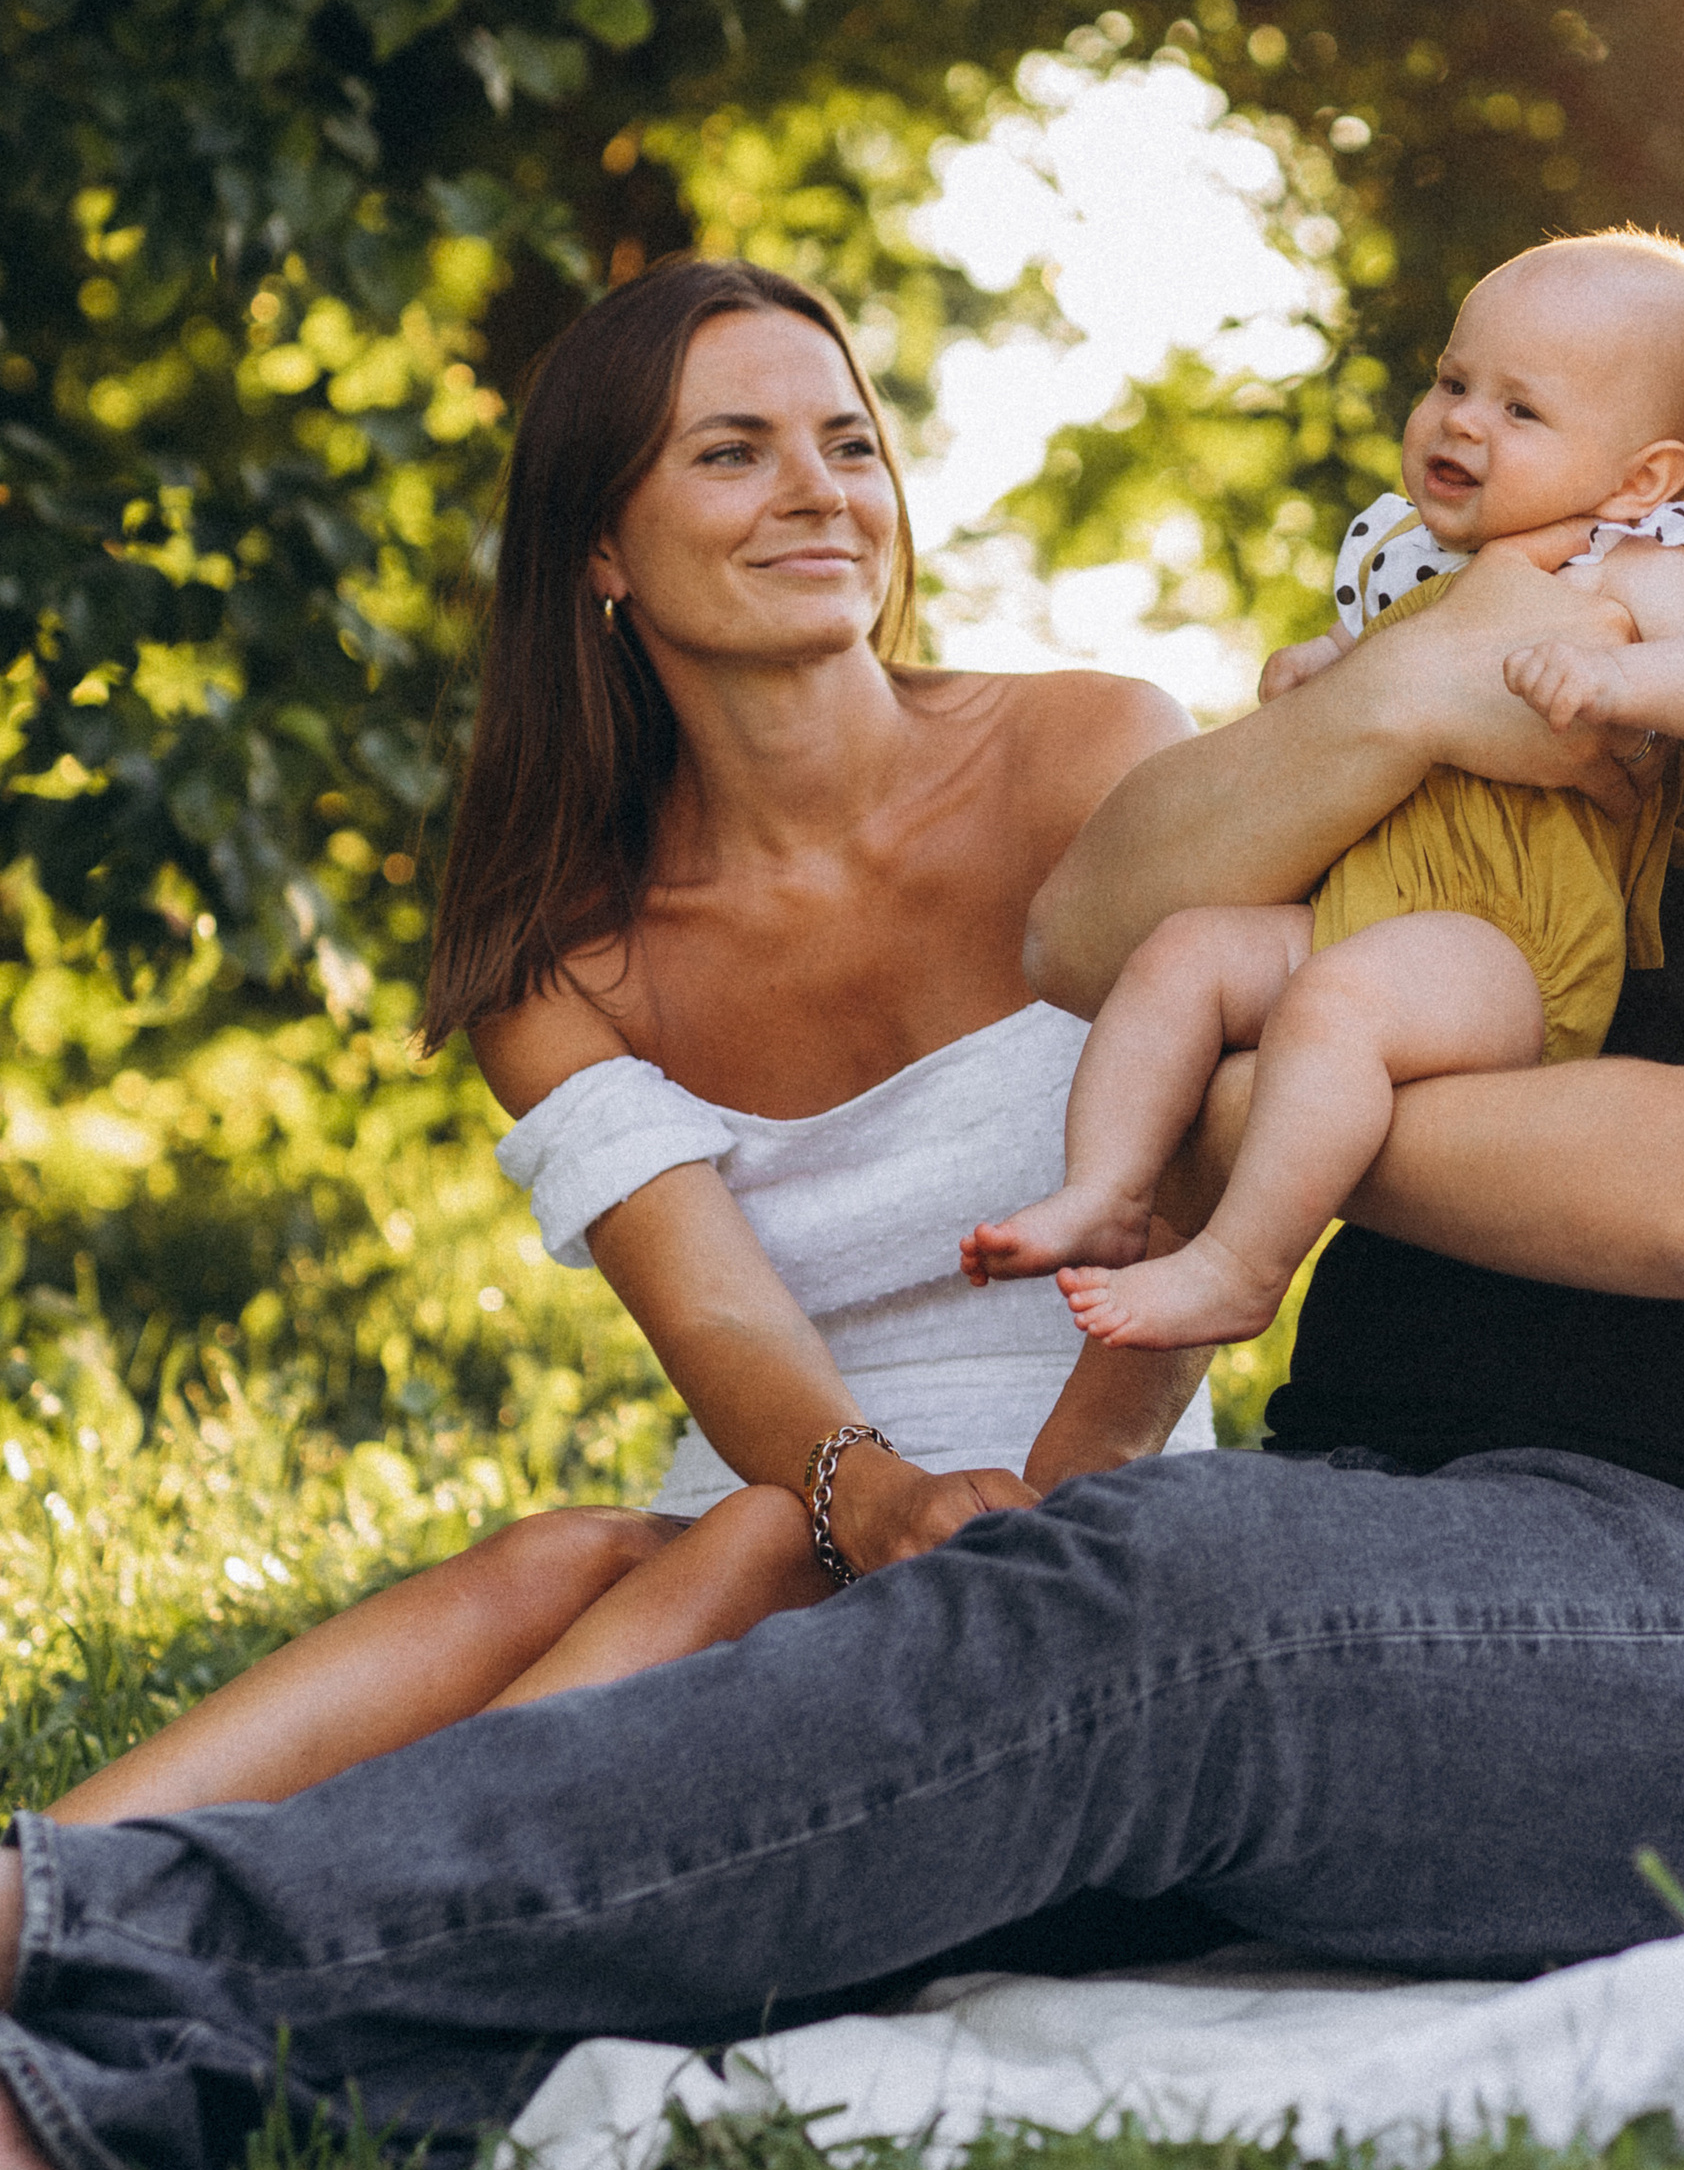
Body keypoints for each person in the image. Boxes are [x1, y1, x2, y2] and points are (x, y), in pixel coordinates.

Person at [0, 76, 1684, 2170]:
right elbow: (1097, 925)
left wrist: (1251, 1123)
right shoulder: (1628, 590)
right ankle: (165, 2016)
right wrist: (1419, 683)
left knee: (1154, 1614)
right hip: (1402, 1531)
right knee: (957, 1670)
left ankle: (101, 1962)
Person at [40, 255, 1212, 1828]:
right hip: (788, 1491)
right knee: (594, 1549)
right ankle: (59, 1886)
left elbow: (1210, 1191)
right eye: (732, 453)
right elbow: (723, 1330)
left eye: (847, 445)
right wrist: (873, 1498)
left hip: (1097, 1496)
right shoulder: (562, 953)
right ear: (601, 546)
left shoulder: (1098, 750)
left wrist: (1044, 1530)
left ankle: (258, 1926)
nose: (816, 493)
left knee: (715, 1543)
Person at [962, 231, 1684, 1355]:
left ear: (1640, 478)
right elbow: (1371, 679)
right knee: (1182, 954)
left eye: (1521, 410)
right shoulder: (1410, 558)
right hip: (1375, 903)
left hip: (1509, 945)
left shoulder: (1642, 569)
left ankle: (1239, 1267)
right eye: (1453, 383)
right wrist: (1322, 670)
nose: (1461, 420)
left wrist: (1619, 676)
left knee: (1336, 1007)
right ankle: (1107, 1190)